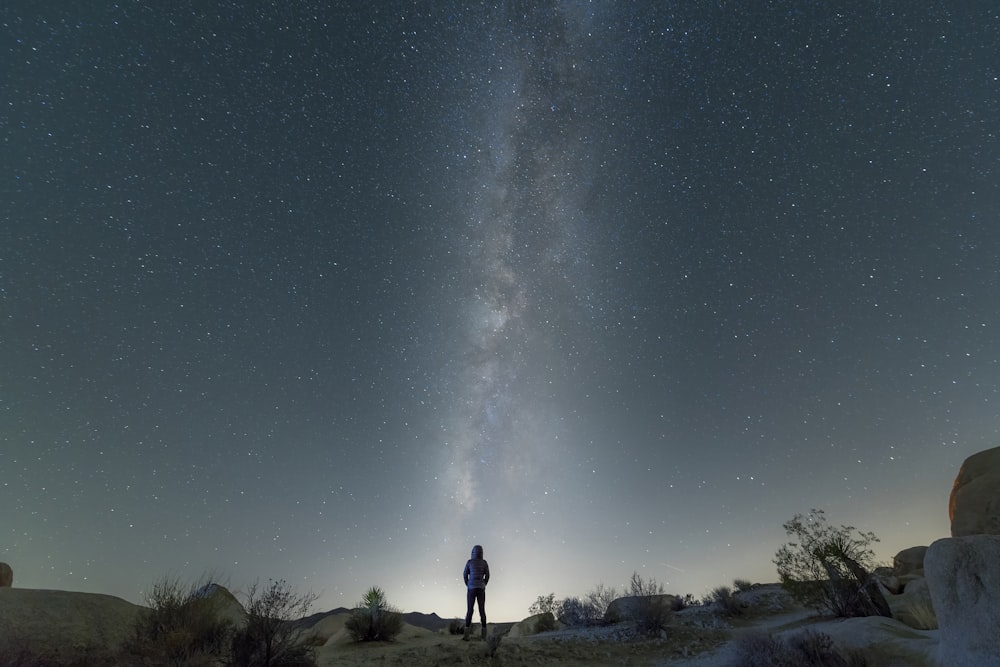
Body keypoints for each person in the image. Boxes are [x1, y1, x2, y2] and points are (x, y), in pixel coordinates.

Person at [462, 544, 490, 640]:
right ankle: (484, 635)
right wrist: (484, 584)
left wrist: (468, 584)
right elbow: (488, 575)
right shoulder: (484, 562)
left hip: (471, 588)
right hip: (481, 588)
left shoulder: (469, 562)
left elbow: (465, 574)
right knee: (482, 610)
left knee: (470, 610)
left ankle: (466, 636)